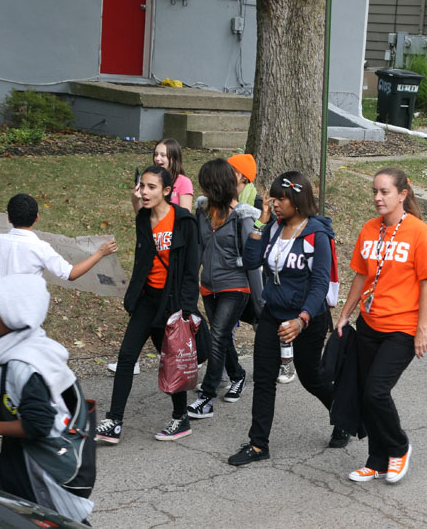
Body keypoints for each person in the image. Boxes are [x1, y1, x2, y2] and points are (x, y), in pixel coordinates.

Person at [227, 171, 344, 466]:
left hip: (307, 319)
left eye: (281, 198)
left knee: (311, 377)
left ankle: (343, 415)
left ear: (297, 199)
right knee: (264, 379)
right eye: (273, 198)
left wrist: (302, 320)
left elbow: (319, 284)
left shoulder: (317, 234)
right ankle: (258, 445)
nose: (275, 203)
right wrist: (260, 223)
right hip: (273, 314)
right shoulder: (274, 228)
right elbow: (252, 261)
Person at [336, 167, 427, 484]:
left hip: (402, 329)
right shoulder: (369, 229)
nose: (378, 198)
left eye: (385, 192)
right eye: (375, 192)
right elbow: (361, 276)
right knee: (366, 392)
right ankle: (378, 460)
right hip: (369, 324)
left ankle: (399, 447)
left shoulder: (419, 233)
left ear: (402, 195)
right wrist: (345, 313)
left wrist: (422, 329)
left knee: (377, 392)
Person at [0, 274, 93, 523]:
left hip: (41, 467)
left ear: (18, 313)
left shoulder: (23, 363)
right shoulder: (29, 346)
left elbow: (39, 424)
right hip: (20, 459)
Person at [96, 165, 200, 444]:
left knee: (172, 361)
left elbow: (191, 270)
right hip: (146, 300)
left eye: (151, 187)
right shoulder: (143, 219)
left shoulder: (184, 221)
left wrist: (186, 311)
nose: (144, 192)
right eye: (142, 186)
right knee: (127, 356)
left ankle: (181, 418)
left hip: (172, 303)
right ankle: (114, 421)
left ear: (167, 191)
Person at [186, 159, 259, 420]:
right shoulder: (202, 212)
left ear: (216, 185)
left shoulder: (243, 217)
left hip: (235, 286)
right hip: (209, 287)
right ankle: (238, 375)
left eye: (206, 184)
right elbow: (197, 250)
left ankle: (206, 398)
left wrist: (259, 302)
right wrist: (190, 285)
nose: (201, 188)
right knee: (223, 337)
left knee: (217, 336)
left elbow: (252, 262)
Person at [0, 193, 118, 279]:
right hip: (27, 315)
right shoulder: (41, 248)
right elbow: (71, 274)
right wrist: (100, 253)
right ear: (37, 218)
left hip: (1, 312)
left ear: (8, 218)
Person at [132, 138, 193, 213]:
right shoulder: (151, 180)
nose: (157, 158)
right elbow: (143, 218)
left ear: (174, 159)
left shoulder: (184, 182)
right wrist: (136, 201)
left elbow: (186, 218)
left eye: (163, 155)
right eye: (156, 154)